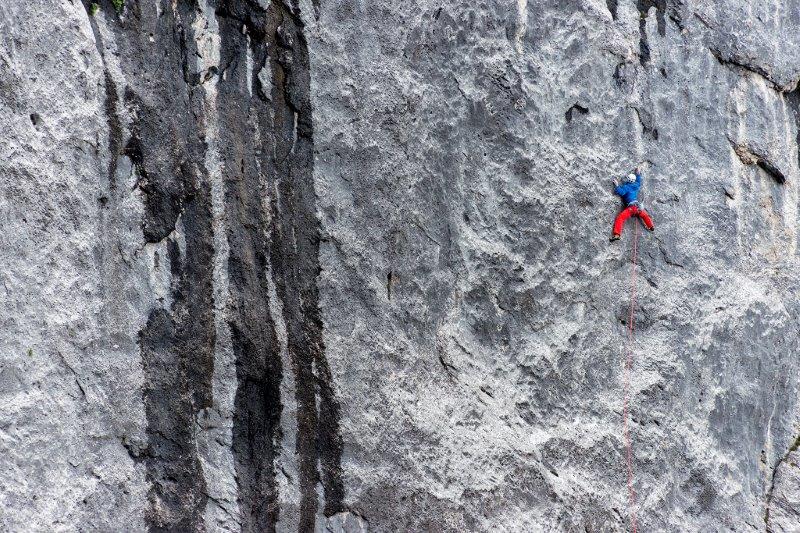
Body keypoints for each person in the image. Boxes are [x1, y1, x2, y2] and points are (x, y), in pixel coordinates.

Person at [610, 168, 655, 241]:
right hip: (637, 207)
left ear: (628, 180)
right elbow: (638, 181)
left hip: (631, 208)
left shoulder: (626, 187)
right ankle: (651, 226)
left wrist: (617, 185)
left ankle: (617, 234)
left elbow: (621, 192)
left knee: (620, 218)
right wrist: (638, 174)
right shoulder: (636, 185)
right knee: (644, 215)